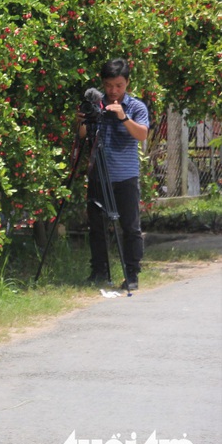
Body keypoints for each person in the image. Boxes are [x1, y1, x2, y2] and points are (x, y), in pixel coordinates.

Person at [78, 58, 150, 290]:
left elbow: (142, 135)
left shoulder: (136, 107)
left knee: (130, 227)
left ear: (127, 83)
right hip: (99, 175)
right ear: (102, 83)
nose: (113, 91)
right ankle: (99, 271)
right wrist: (82, 121)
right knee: (97, 226)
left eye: (118, 85)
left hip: (125, 177)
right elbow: (81, 137)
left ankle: (131, 274)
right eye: (109, 85)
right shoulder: (96, 105)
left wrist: (123, 117)